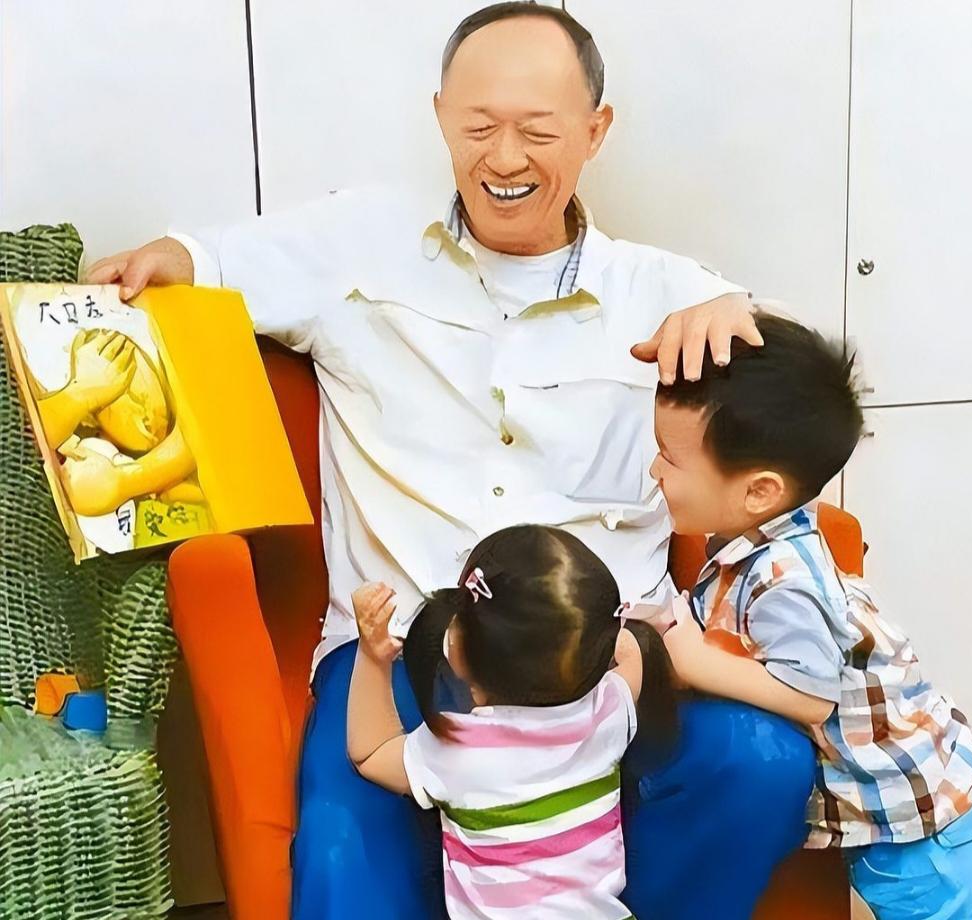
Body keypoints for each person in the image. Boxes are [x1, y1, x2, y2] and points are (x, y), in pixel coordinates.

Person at [86, 4, 815, 917]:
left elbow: (800, 390)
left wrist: (741, 310)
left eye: (537, 132)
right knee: (342, 861)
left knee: (762, 764)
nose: (504, 159)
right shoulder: (356, 243)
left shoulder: (669, 293)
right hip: (408, 652)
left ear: (595, 131)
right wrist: (149, 268)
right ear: (440, 117)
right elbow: (205, 258)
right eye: (478, 128)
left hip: (607, 662)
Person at [653, 311, 972, 919]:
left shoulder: (787, 579)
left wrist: (689, 660)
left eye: (669, 459)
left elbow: (810, 696)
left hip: (937, 836)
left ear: (759, 491)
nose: (655, 472)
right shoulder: (751, 545)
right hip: (927, 816)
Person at [347, 524, 676, 919]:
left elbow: (370, 753)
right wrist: (596, 635)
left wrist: (372, 656)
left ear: (463, 653)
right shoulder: (608, 710)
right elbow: (633, 658)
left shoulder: (459, 749)